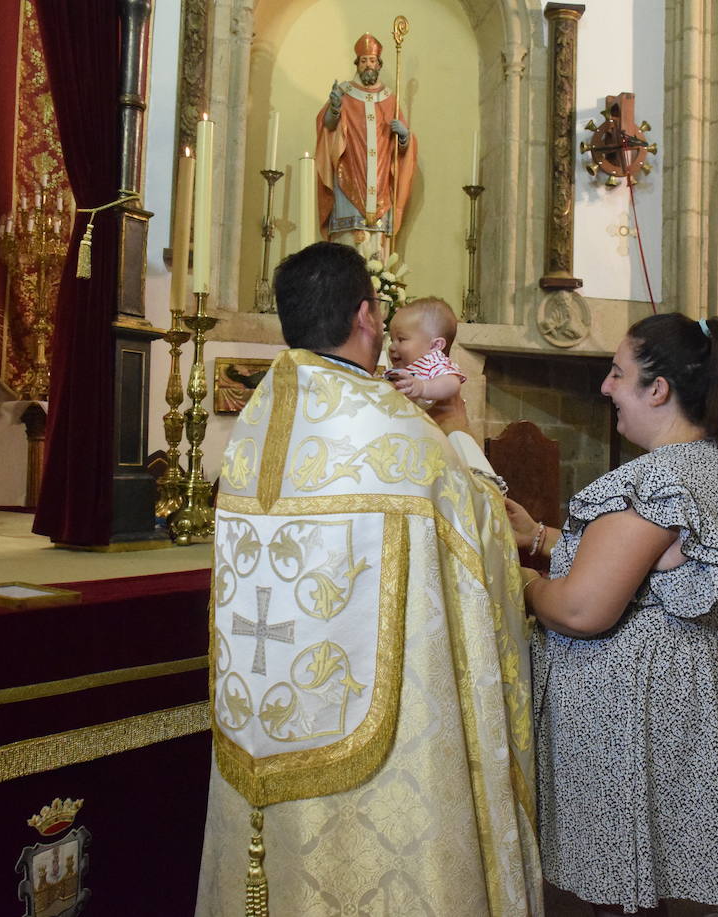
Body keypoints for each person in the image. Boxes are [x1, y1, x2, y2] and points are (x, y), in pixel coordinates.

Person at [194, 242, 541, 915]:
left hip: (260, 717)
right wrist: (464, 438)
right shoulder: (396, 431)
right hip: (383, 746)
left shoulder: (255, 425)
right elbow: (487, 535)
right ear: (365, 316)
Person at [507, 313, 718, 915]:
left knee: (622, 894)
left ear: (659, 389)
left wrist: (520, 582)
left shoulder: (656, 479)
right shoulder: (716, 466)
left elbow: (582, 607)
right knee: (671, 883)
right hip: (688, 708)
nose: (605, 387)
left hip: (631, 725)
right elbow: (647, 569)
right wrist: (545, 537)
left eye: (617, 374)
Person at [314, 33, 418, 257]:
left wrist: (404, 137)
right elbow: (327, 127)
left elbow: (403, 150)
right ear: (357, 64)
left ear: (379, 64)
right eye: (363, 61)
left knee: (376, 254)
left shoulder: (391, 98)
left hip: (381, 183)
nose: (368, 65)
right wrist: (334, 108)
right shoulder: (344, 92)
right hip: (349, 176)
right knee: (348, 246)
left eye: (372, 60)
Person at [386, 296, 469, 436]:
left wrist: (423, 387)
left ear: (435, 346)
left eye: (401, 339)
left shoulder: (433, 361)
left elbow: (452, 383)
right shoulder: (406, 368)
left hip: (446, 434)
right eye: (391, 339)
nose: (392, 347)